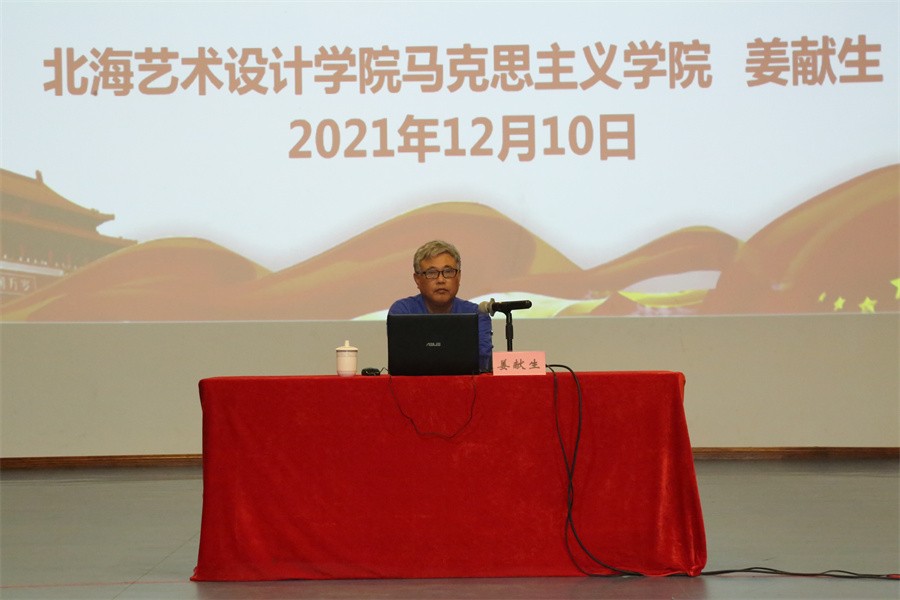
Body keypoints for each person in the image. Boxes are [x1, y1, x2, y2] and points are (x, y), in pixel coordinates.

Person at [389, 240, 492, 371]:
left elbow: (483, 362)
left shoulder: (477, 313)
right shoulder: (403, 312)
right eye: (432, 273)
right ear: (417, 279)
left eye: (448, 272)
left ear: (459, 276)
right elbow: (401, 361)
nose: (441, 280)